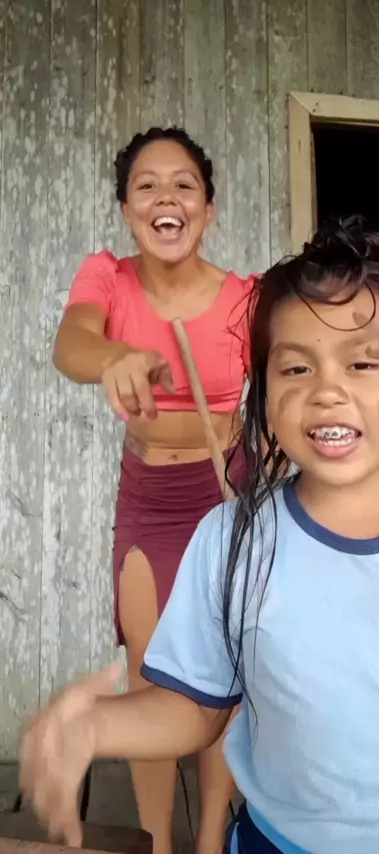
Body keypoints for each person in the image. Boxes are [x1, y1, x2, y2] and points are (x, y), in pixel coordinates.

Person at [22, 217, 379, 854]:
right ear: (264, 393)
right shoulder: (232, 540)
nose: (327, 391)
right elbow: (198, 709)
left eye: (363, 362)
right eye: (295, 369)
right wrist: (92, 726)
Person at [52, 126, 255, 854]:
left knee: (223, 673)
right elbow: (72, 342)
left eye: (183, 185)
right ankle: (156, 844)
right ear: (127, 210)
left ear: (208, 209)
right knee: (151, 676)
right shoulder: (107, 278)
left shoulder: (247, 298)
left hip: (228, 487)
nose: (166, 196)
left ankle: (210, 841)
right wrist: (114, 356)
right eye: (146, 185)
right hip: (150, 495)